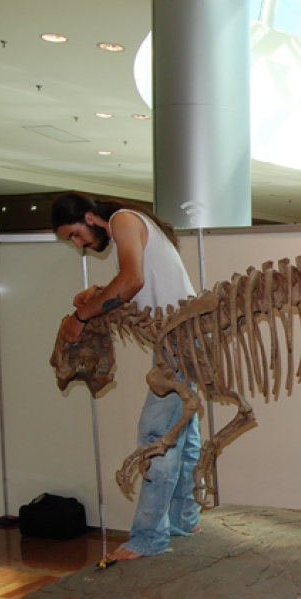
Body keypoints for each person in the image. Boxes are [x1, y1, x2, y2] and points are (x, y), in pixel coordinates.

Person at [52, 192, 202, 562]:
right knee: (183, 433)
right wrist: (99, 295)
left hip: (179, 340)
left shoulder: (122, 220)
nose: (79, 244)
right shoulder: (135, 223)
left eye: (75, 234)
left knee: (156, 437)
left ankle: (149, 538)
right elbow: (140, 288)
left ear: (90, 217)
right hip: (186, 336)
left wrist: (81, 317)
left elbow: (132, 280)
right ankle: (184, 520)